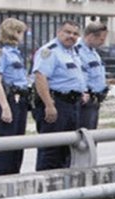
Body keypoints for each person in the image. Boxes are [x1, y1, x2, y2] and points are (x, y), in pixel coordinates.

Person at [31, 20, 87, 170]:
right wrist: (49, 105)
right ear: (58, 33)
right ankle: (46, 186)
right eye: (67, 32)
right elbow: (40, 77)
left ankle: (62, 186)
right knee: (51, 150)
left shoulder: (72, 52)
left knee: (67, 149)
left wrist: (81, 92)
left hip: (72, 105)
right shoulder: (50, 51)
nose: (71, 36)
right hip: (56, 104)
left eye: (75, 34)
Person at [0, 18, 30, 176]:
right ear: (15, 32)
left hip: (20, 100)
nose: (23, 36)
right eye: (21, 32)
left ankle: (13, 178)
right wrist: (5, 107)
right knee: (7, 147)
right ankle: (1, 180)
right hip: (9, 100)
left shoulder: (15, 52)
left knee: (17, 147)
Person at [77, 21, 109, 130]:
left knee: (91, 138)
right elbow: (79, 75)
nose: (103, 42)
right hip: (85, 102)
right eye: (101, 39)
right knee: (84, 139)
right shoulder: (77, 51)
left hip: (95, 100)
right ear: (90, 36)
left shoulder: (93, 52)